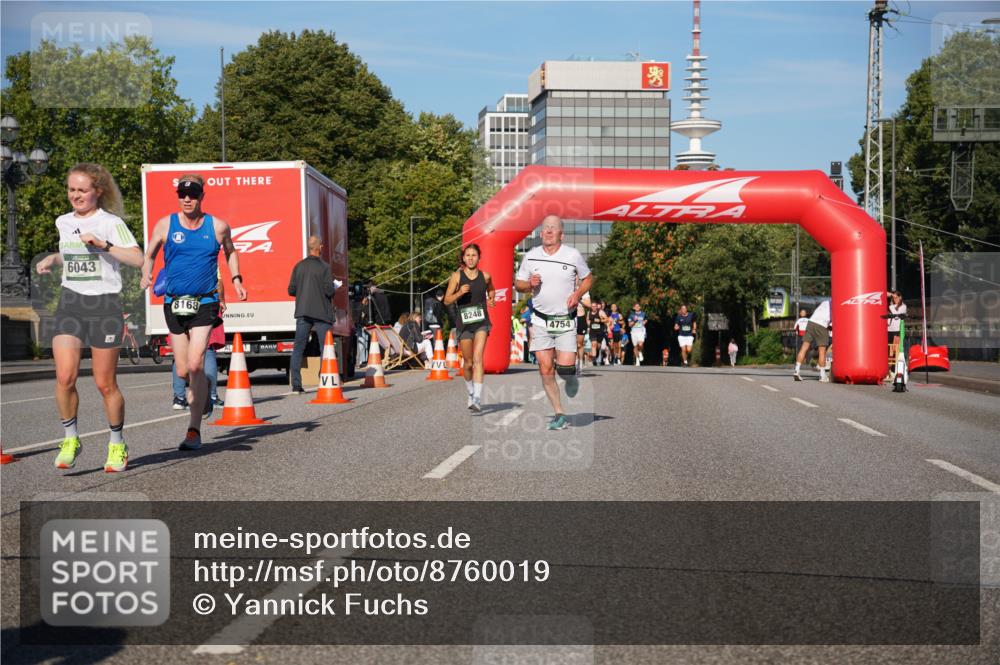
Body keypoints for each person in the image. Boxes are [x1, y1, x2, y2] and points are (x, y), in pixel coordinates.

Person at [36, 163, 143, 473]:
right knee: (64, 376)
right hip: (71, 303)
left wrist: (104, 245)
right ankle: (70, 438)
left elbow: (138, 259)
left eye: (82, 190)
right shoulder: (63, 222)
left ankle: (116, 443)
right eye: (72, 189)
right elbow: (70, 255)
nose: (76, 195)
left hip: (105, 306)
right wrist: (53, 258)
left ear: (98, 191)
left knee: (104, 383)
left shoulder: (111, 223)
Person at [141, 174, 247, 450]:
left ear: (202, 197)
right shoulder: (166, 225)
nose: (187, 199)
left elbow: (231, 251)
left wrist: (236, 279)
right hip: (174, 302)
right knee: (183, 368)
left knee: (197, 362)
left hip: (205, 301)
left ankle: (193, 430)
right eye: (182, 194)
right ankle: (203, 393)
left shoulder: (218, 226)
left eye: (193, 194)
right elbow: (149, 253)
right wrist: (146, 274)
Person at [514, 215, 592, 431]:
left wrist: (578, 294)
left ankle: (570, 376)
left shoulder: (572, 255)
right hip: (540, 319)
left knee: (565, 368)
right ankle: (559, 413)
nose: (548, 231)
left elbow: (588, 278)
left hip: (565, 320)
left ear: (561, 234)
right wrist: (528, 284)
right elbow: (518, 284)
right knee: (545, 367)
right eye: (545, 228)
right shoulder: (531, 256)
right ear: (541, 233)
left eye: (553, 228)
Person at [444, 243, 495, 411]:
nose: (471, 258)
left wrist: (491, 299)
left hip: (481, 322)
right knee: (468, 363)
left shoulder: (485, 276)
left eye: (474, 255)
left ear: (479, 258)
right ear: (464, 258)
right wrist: (459, 293)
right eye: (468, 255)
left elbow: (491, 290)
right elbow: (446, 300)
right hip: (464, 323)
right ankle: (471, 392)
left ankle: (478, 399)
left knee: (479, 358)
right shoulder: (456, 276)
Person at [287, 236, 339, 394]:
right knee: (326, 348)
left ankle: (296, 384)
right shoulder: (325, 267)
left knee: (298, 348)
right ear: (319, 247)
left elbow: (291, 290)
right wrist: (335, 287)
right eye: (322, 245)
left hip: (303, 312)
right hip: (322, 313)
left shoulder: (298, 266)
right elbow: (329, 291)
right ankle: (324, 379)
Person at [794, 299, 831, 383]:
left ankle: (797, 371)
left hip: (811, 322)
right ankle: (822, 376)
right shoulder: (836, 305)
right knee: (822, 352)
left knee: (804, 348)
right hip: (822, 325)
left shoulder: (825, 302)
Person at [885, 290, 907, 381]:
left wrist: (891, 303)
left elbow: (895, 313)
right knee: (888, 351)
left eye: (896, 297)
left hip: (897, 331)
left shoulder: (903, 306)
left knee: (895, 351)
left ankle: (894, 371)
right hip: (889, 330)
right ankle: (888, 371)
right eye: (893, 298)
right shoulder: (891, 306)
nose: (895, 299)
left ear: (900, 297)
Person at [586, 300, 609, 366]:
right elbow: (587, 320)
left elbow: (607, 319)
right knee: (593, 344)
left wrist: (600, 320)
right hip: (592, 331)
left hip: (600, 332)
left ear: (597, 307)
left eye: (595, 306)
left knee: (598, 346)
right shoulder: (588, 313)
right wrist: (588, 323)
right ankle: (594, 360)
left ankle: (596, 355)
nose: (593, 308)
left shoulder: (600, 312)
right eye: (592, 306)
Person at [575, 292, 592, 374]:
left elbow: (589, 305)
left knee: (579, 344)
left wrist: (579, 297)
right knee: (571, 343)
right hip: (569, 317)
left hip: (580, 317)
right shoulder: (567, 285)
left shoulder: (584, 290)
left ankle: (580, 363)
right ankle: (573, 363)